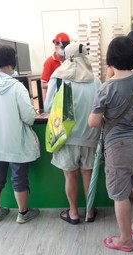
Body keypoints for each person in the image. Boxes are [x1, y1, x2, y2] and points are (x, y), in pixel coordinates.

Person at [88, 36, 133, 252]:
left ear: (110, 59)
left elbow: (94, 122)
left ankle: (125, 239)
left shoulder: (106, 88)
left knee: (119, 194)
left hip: (118, 147)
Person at [0, 44, 40, 224]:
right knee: (19, 177)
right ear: (12, 63)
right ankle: (23, 213)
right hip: (15, 141)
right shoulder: (17, 87)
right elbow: (29, 116)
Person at [44, 43, 102, 225]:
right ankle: (90, 211)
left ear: (66, 57)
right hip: (90, 136)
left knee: (70, 175)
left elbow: (47, 108)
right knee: (87, 173)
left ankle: (74, 213)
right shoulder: (96, 80)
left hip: (65, 137)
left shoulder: (59, 78)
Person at [41, 32, 70, 100]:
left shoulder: (69, 60)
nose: (64, 50)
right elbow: (43, 85)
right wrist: (58, 83)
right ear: (55, 45)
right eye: (62, 47)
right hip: (54, 99)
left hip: (66, 97)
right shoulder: (50, 62)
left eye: (66, 48)